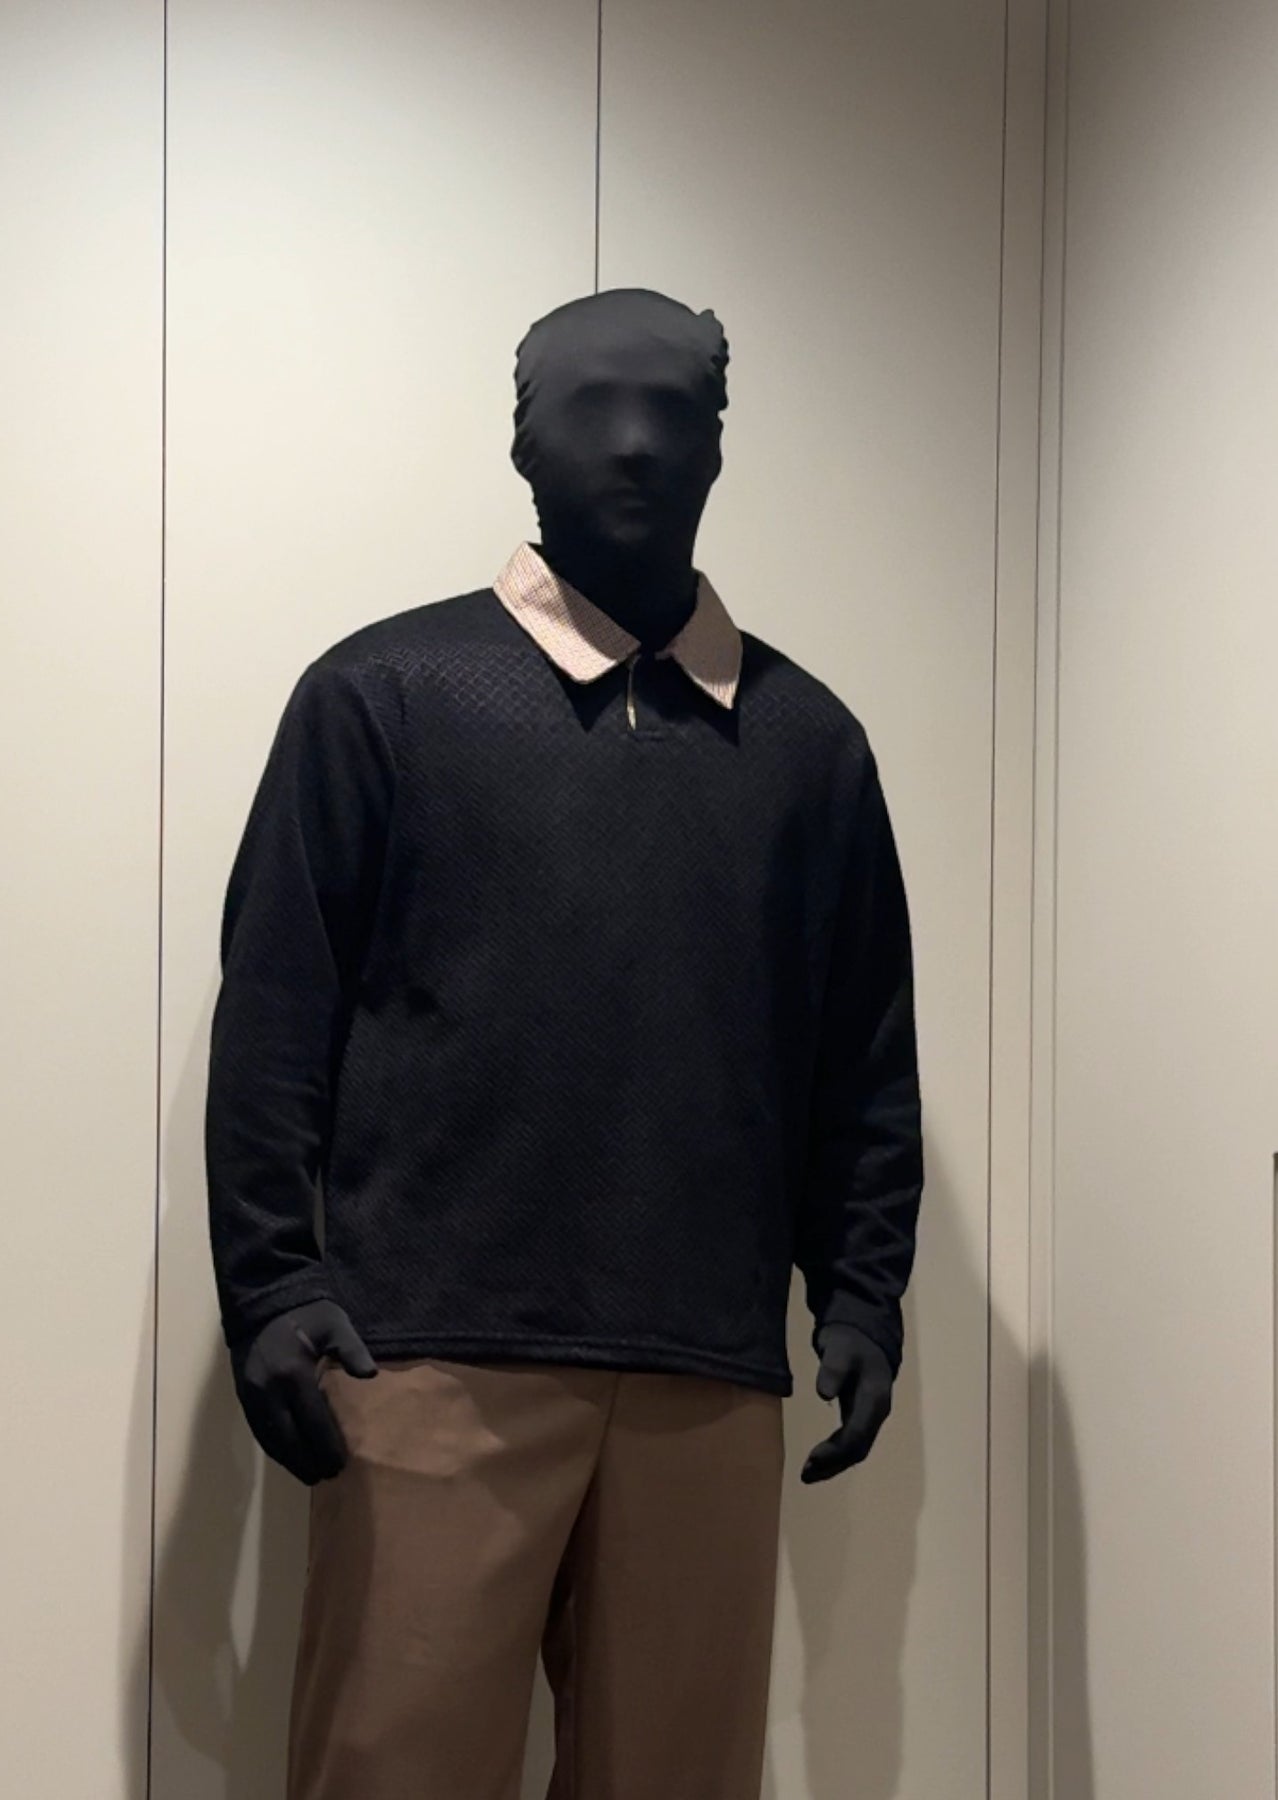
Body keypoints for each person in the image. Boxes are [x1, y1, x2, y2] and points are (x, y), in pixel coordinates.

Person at [204, 286, 925, 1800]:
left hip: (705, 1371)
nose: (635, 444)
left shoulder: (810, 746)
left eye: (674, 411)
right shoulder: (386, 698)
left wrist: (861, 1287)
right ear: (521, 445)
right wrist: (271, 1280)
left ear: (720, 445)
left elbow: (862, 1054)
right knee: (391, 1777)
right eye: (591, 409)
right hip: (429, 1358)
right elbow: (275, 1014)